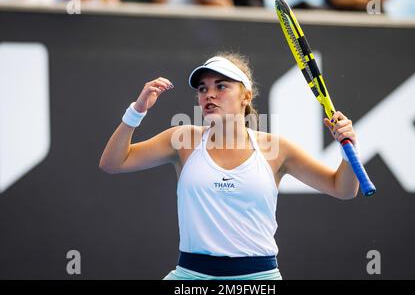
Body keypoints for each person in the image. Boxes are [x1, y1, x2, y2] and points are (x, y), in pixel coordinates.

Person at [99, 52, 360, 280]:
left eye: (221, 86)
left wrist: (348, 149)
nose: (209, 94)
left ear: (245, 96)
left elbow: (343, 188)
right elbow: (113, 163)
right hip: (191, 277)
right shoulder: (182, 140)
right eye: (202, 88)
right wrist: (137, 110)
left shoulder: (276, 149)